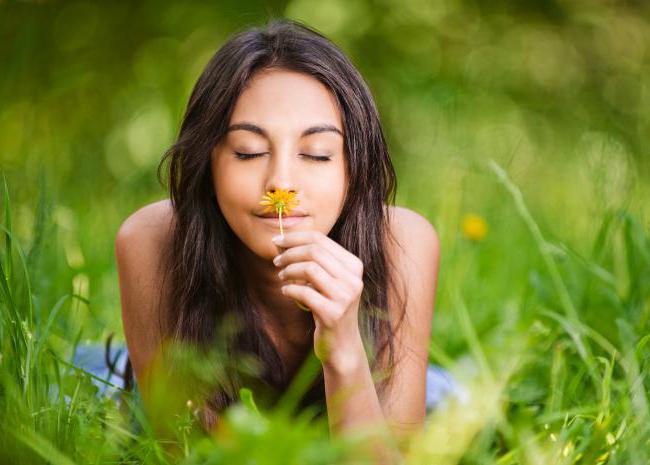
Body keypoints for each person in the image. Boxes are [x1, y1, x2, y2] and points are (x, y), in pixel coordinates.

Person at [110, 17, 463, 457]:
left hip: (406, 398)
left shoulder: (403, 242)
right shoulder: (152, 240)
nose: (281, 183)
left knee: (457, 402)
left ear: (354, 166)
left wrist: (345, 351)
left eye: (316, 154)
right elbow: (188, 452)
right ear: (208, 162)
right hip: (130, 382)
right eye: (248, 152)